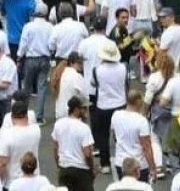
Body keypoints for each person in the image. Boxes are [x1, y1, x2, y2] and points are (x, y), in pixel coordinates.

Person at [91, 40, 127, 173]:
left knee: (103, 135)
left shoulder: (97, 70)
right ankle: (123, 160)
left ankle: (105, 163)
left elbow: (93, 84)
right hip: (120, 104)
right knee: (120, 135)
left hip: (103, 105)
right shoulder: (123, 67)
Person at [17, 0, 53, 125]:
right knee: (41, 87)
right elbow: (52, 45)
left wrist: (19, 57)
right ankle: (39, 116)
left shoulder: (28, 26)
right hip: (44, 58)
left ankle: (23, 113)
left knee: (26, 87)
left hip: (30, 59)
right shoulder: (50, 27)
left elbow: (23, 44)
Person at [110, 89, 156, 182]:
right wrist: (152, 168)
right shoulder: (141, 121)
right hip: (138, 165)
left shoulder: (116, 115)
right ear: (138, 101)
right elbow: (146, 147)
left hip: (121, 163)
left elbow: (115, 135)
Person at [52, 94, 95, 191]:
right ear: (76, 109)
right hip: (81, 170)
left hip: (64, 169)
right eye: (83, 108)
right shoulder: (84, 128)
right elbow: (87, 154)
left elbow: (55, 148)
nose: (85, 111)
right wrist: (92, 168)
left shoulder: (58, 124)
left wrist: (59, 164)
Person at [0, 100, 41, 186]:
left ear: (12, 117)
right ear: (27, 116)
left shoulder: (6, 134)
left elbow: (1, 164)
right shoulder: (36, 130)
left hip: (13, 183)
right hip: (34, 179)